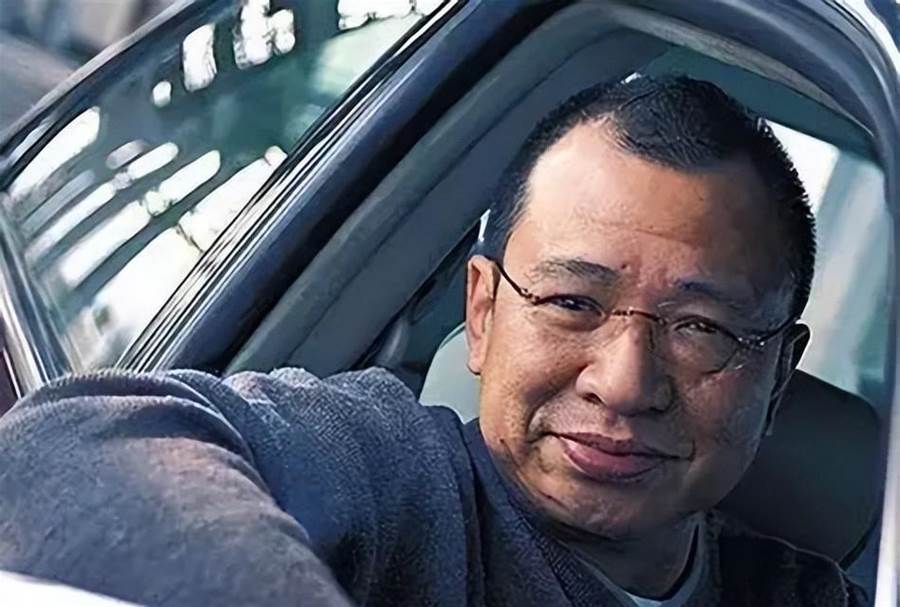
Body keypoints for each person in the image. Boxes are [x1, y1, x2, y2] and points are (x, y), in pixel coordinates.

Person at [0, 76, 865, 607]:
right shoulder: (398, 482)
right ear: (482, 313)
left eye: (702, 328)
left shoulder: (803, 596)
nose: (624, 381)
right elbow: (76, 439)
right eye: (572, 301)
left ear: (778, 375)